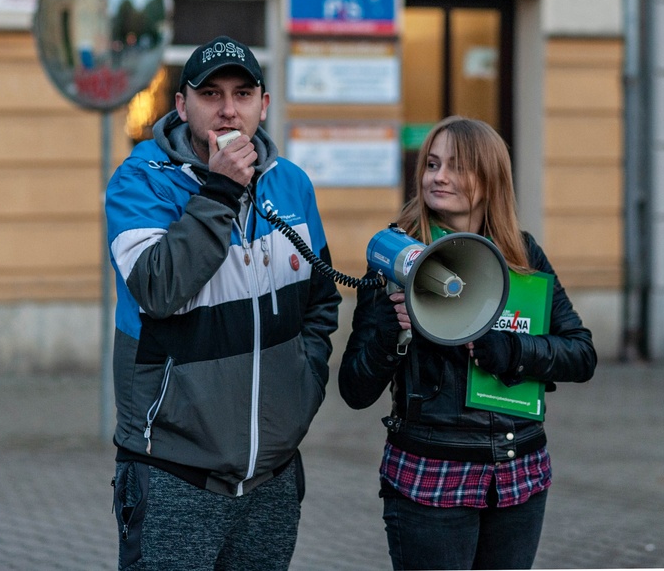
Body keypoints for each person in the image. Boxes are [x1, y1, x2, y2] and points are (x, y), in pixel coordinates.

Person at [105, 35, 341, 570]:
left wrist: (303, 388)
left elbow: (320, 303)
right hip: (174, 472)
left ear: (264, 104)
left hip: (272, 478)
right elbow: (158, 288)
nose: (228, 109)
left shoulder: (291, 185)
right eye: (210, 94)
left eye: (243, 94)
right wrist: (219, 191)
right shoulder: (139, 181)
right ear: (181, 104)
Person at [338, 116, 597, 570]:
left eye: (457, 166)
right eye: (432, 164)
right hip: (433, 478)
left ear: (490, 177)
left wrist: (513, 352)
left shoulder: (521, 253)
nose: (439, 177)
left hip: (517, 476)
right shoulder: (399, 257)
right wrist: (392, 332)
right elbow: (355, 389)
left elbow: (581, 354)